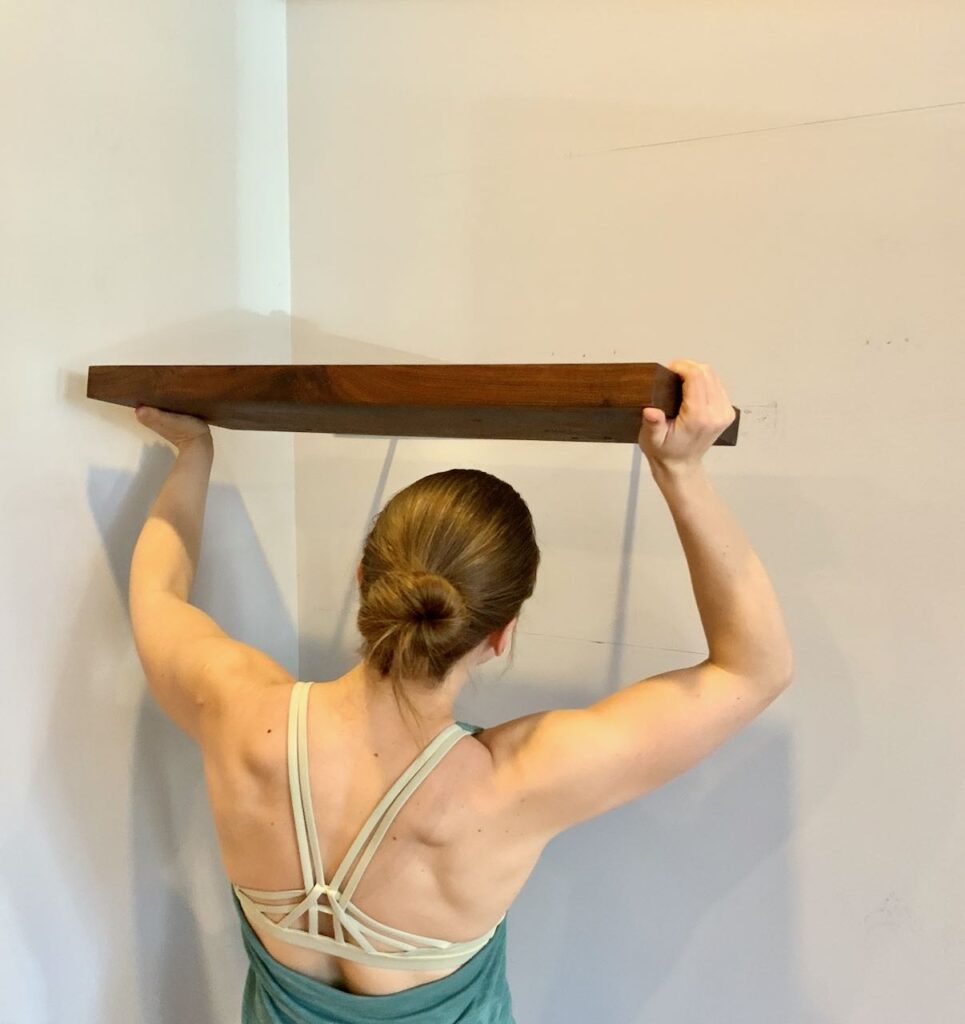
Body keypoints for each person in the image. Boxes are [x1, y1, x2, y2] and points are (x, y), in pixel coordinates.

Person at [129, 359, 793, 1024]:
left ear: (363, 578)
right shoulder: (516, 784)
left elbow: (157, 591)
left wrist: (192, 452)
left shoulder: (238, 712)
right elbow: (752, 669)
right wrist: (680, 472)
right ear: (500, 634)